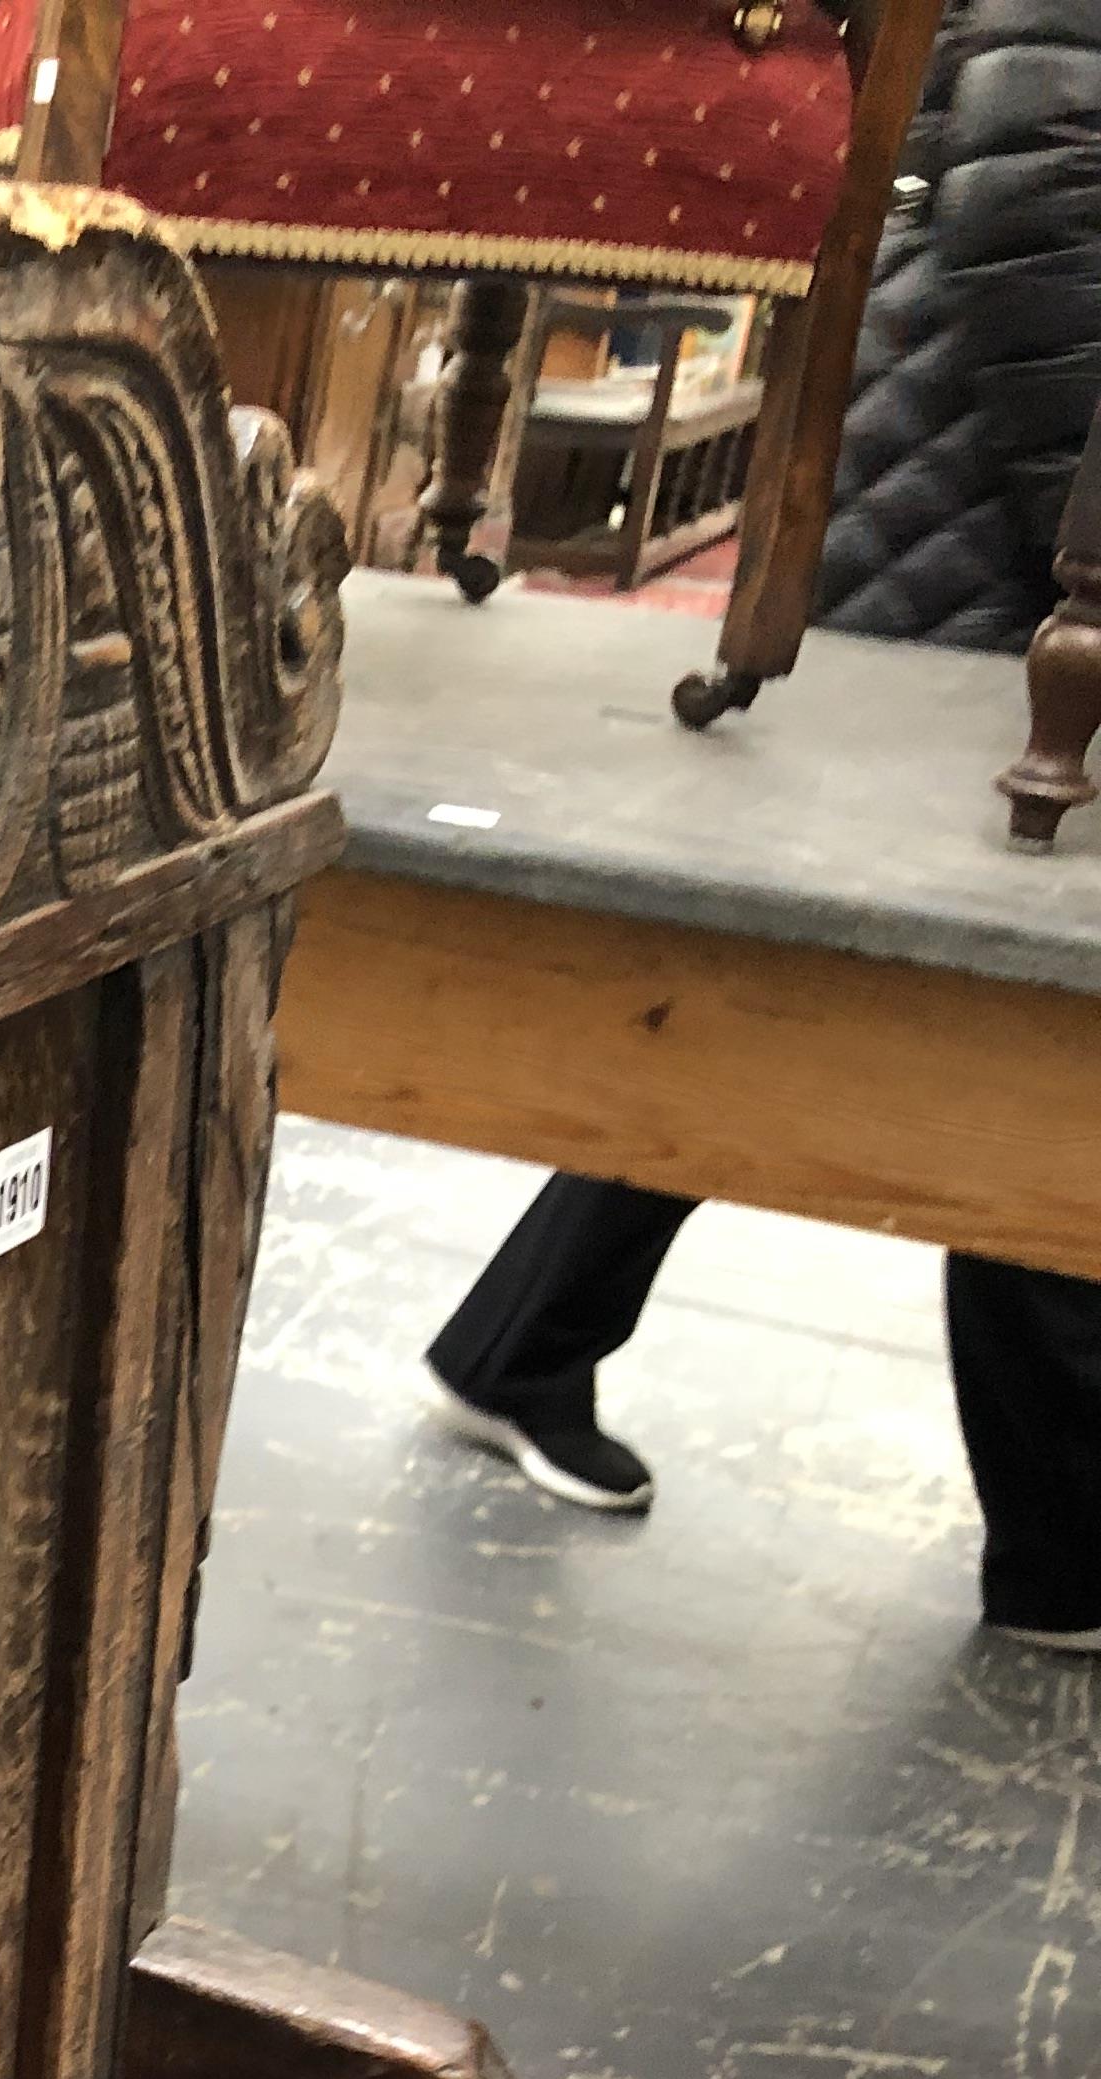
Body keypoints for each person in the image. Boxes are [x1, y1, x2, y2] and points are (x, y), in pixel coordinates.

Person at [426, 0, 1101, 1650]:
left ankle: (513, 1349)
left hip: (982, 529)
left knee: (856, 1016)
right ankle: (1072, 1555)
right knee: (1019, 1038)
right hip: (1010, 553)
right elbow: (1038, 216)